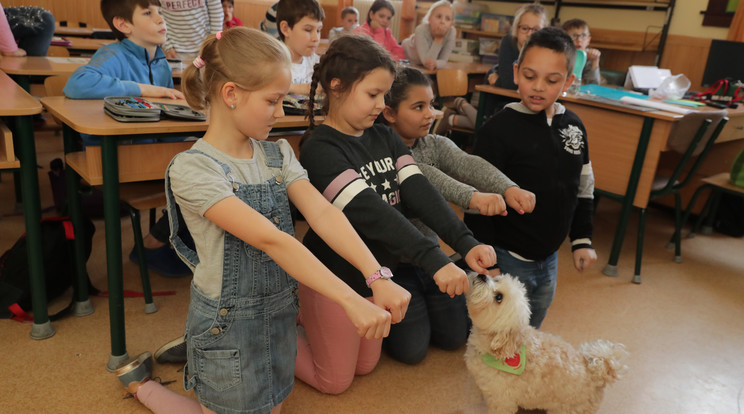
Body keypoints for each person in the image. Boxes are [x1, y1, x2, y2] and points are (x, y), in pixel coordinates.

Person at [116, 27, 410, 414]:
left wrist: (376, 276)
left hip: (279, 316)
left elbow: (323, 213)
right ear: (231, 94)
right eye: (272, 101)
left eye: (283, 99)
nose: (280, 112)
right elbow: (273, 240)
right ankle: (144, 387)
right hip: (227, 328)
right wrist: (352, 299)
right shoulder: (193, 170)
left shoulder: (278, 155)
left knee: (271, 405)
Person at [297, 35, 497, 394]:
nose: (380, 105)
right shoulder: (319, 149)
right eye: (372, 95)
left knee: (367, 364)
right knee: (336, 382)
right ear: (337, 87)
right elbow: (373, 214)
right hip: (336, 278)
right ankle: (282, 329)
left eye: (384, 96)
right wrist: (434, 260)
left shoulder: (384, 136)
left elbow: (421, 193)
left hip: (377, 277)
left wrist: (464, 243)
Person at [380, 66, 536, 364]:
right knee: (412, 352)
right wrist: (473, 197)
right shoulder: (380, 150)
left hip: (433, 259)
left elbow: (468, 163)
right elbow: (422, 176)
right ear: (389, 113)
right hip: (394, 266)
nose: (432, 113)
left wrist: (508, 187)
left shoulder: (433, 143)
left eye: (432, 104)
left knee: (453, 338)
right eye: (419, 107)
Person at [464, 27, 597, 329]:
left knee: (532, 321)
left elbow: (584, 187)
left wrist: (582, 239)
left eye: (551, 81)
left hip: (549, 257)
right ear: (515, 71)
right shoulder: (497, 131)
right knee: (497, 327)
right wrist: (487, 261)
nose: (538, 87)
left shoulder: (574, 127)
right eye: (529, 76)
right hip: (506, 255)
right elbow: (476, 201)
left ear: (568, 81)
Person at [64, 0, 189, 277]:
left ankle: (171, 241)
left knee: (215, 164)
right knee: (199, 175)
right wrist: (145, 90)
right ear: (123, 25)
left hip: (155, 156)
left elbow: (167, 114)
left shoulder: (161, 62)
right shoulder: (113, 55)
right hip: (118, 159)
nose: (160, 19)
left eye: (159, 12)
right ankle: (155, 243)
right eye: (147, 13)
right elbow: (76, 84)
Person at [437, 2, 548, 133]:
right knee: (490, 127)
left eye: (536, 30)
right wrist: (506, 81)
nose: (530, 34)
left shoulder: (544, 50)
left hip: (522, 102)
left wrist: (499, 80)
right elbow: (509, 83)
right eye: (524, 28)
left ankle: (456, 111)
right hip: (499, 100)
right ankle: (460, 105)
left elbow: (519, 84)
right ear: (516, 29)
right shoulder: (508, 42)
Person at [277, 0, 323, 96]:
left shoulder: (317, 62)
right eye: (308, 30)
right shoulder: (273, 63)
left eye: (318, 30)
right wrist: (298, 88)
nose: (316, 38)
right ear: (285, 29)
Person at [401, 0, 455, 71]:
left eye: (447, 19)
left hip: (421, 62)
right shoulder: (420, 30)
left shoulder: (451, 32)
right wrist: (438, 38)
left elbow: (444, 61)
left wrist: (436, 63)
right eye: (439, 17)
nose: (442, 21)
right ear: (429, 19)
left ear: (451, 23)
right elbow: (426, 62)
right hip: (405, 51)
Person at [562, 18, 601, 85]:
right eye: (574, 36)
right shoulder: (560, 55)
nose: (579, 40)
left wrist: (595, 61)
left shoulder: (588, 57)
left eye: (583, 36)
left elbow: (593, 85)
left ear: (588, 40)